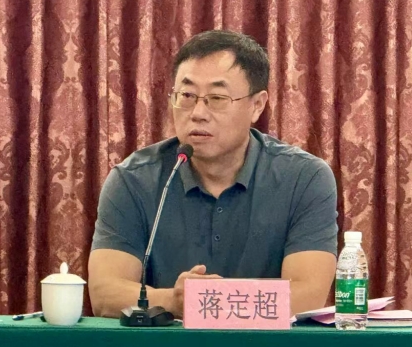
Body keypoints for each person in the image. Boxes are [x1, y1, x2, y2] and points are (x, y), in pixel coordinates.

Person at [88, 30, 338, 319]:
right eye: (187, 95)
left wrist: (204, 301)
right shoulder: (133, 180)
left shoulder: (304, 179)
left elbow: (307, 295)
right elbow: (104, 295)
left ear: (257, 105)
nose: (198, 112)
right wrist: (173, 300)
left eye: (217, 98)